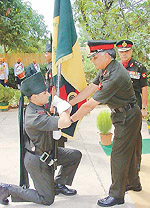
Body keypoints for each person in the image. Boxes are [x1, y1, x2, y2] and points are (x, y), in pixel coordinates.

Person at [69, 40, 142, 207]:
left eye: (94, 57)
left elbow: (90, 104)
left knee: (118, 155)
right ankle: (133, 183)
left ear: (106, 56)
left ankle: (116, 195)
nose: (92, 60)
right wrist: (71, 103)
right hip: (125, 114)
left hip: (127, 116)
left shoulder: (115, 75)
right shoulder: (107, 69)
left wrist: (70, 121)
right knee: (128, 152)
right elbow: (91, 87)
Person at [0, 72, 82, 206]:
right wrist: (63, 107)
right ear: (34, 97)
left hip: (49, 152)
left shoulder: (37, 107)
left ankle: (59, 184)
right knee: (46, 199)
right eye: (45, 93)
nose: (49, 95)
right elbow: (65, 122)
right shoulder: (35, 117)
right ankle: (7, 189)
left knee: (75, 156)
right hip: (38, 160)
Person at [116, 40, 148, 171]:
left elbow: (144, 88)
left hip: (135, 106)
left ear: (131, 51)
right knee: (121, 134)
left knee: (135, 134)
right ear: (118, 52)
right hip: (118, 106)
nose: (124, 54)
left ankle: (136, 162)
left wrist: (144, 108)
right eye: (121, 52)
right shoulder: (115, 66)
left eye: (127, 51)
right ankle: (124, 162)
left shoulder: (139, 67)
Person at [45, 43, 67, 147]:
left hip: (53, 98)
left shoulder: (53, 67)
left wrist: (53, 104)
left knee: (55, 120)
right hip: (51, 96)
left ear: (51, 54)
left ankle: (59, 144)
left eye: (46, 53)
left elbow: (54, 87)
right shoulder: (50, 66)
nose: (45, 55)